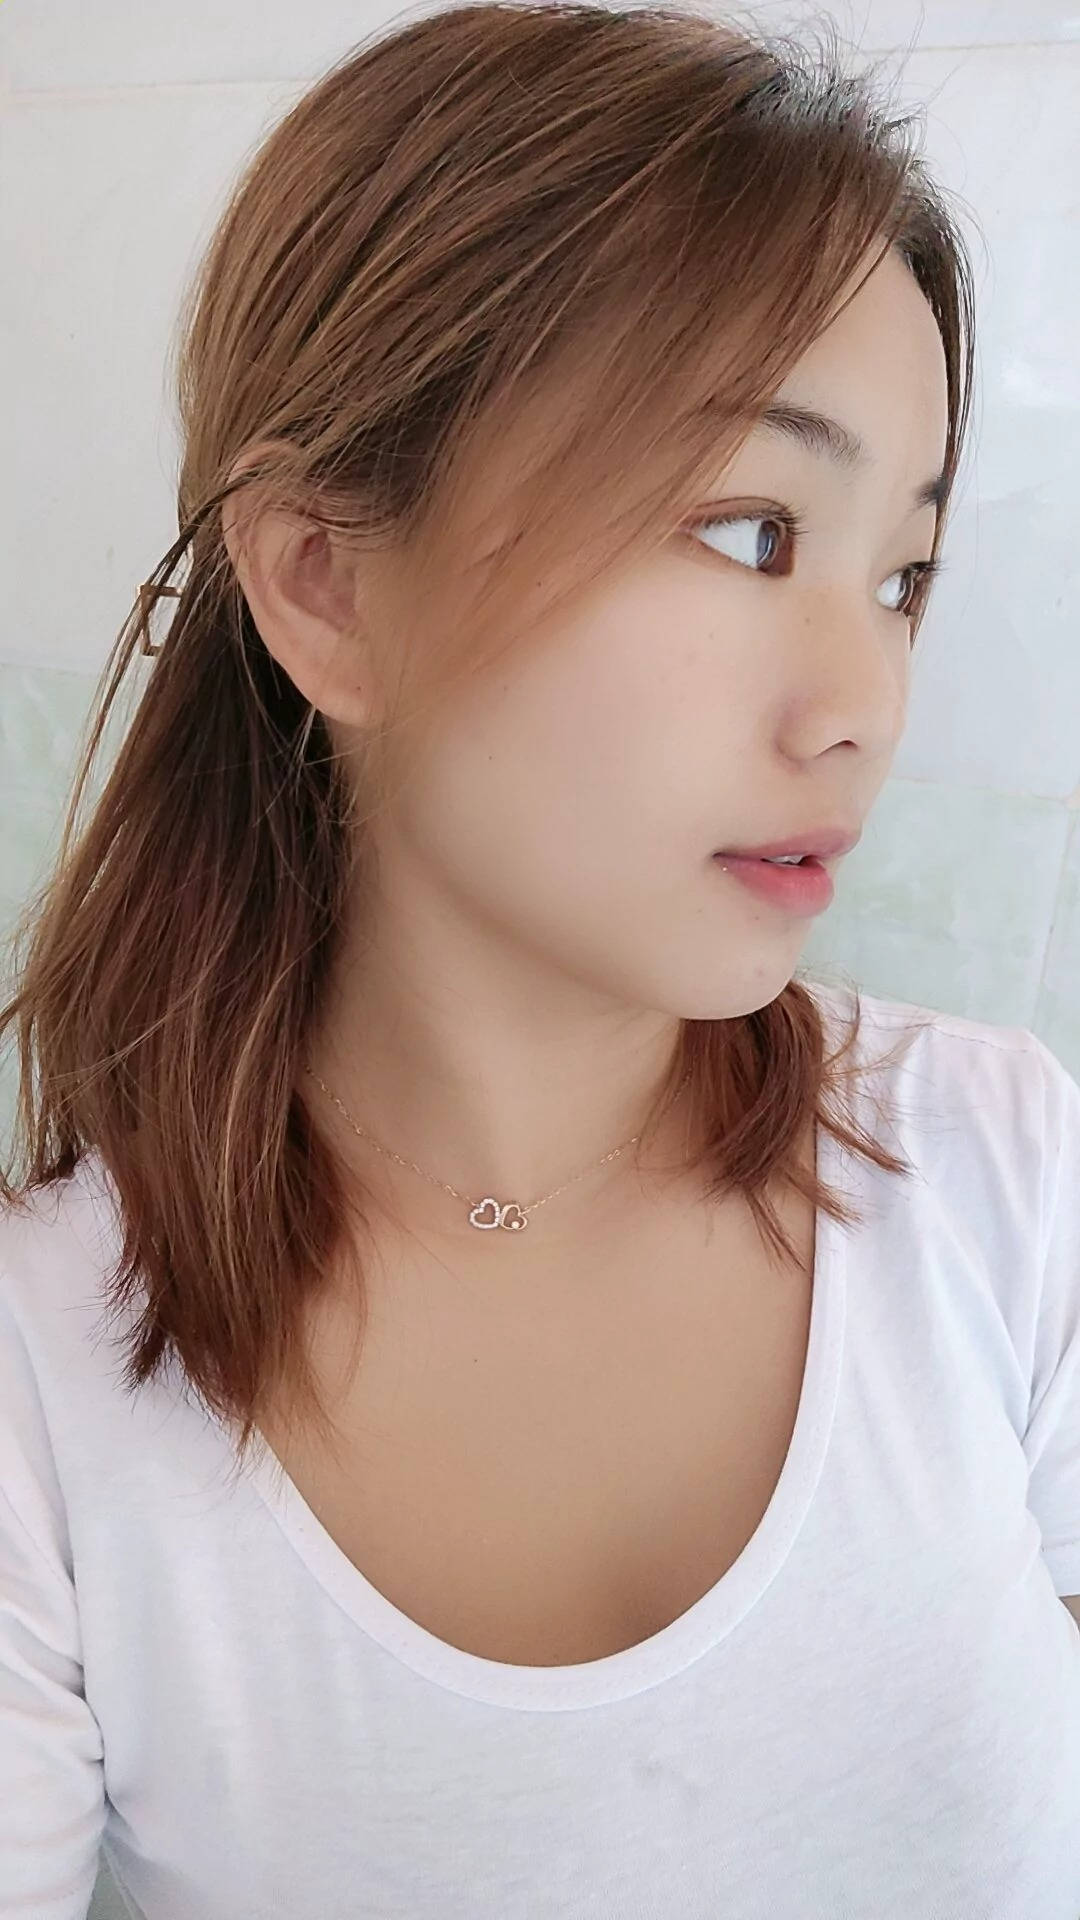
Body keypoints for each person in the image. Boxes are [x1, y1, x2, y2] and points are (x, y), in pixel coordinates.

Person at [2, 5, 1079, 1916]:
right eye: (750, 533)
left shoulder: (1003, 1173)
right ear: (328, 584)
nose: (864, 705)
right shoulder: (43, 1384)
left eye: (901, 573)